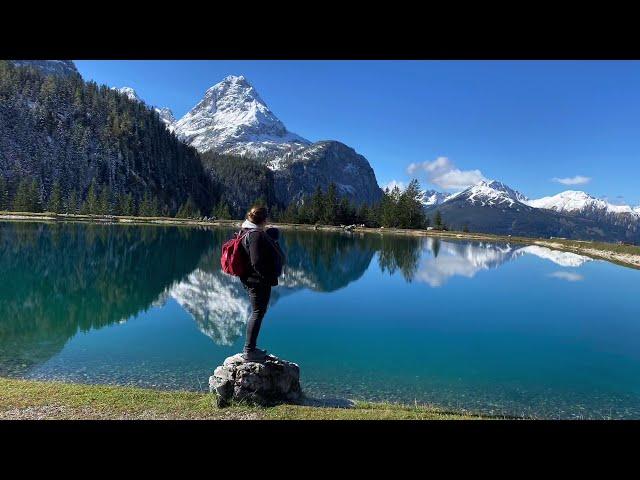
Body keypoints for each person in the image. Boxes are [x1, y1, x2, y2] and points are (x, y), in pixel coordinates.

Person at [239, 205, 285, 361]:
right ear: (264, 219)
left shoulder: (248, 231)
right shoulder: (255, 235)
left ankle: (250, 349)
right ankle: (249, 350)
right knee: (258, 313)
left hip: (252, 279)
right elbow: (256, 261)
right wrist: (267, 277)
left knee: (258, 312)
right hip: (257, 281)